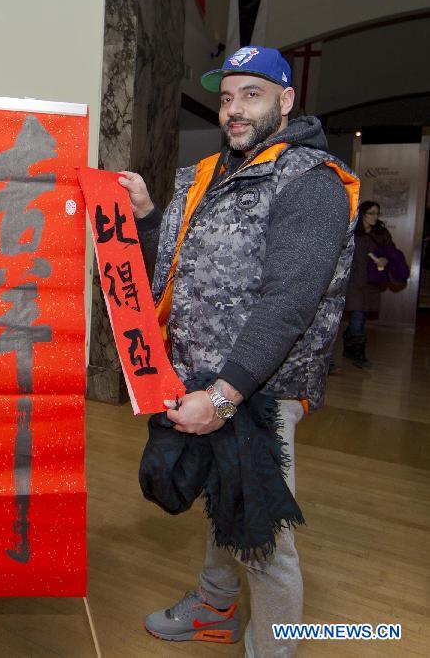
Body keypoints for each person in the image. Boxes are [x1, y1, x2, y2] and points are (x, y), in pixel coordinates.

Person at [119, 46, 358, 657]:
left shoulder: (311, 182)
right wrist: (148, 218)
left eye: (251, 94)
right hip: (201, 373)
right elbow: (175, 267)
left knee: (264, 532)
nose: (234, 110)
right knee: (225, 498)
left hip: (260, 386)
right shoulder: (208, 174)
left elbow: (289, 304)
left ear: (286, 100)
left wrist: (224, 398)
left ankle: (272, 649)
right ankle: (214, 606)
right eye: (226, 97)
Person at [342, 200, 395, 368]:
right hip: (353, 281)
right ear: (362, 214)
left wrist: (384, 260)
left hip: (371, 281)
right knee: (358, 315)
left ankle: (349, 342)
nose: (375, 217)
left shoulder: (381, 233)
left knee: (361, 316)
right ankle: (359, 354)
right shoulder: (351, 231)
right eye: (371, 213)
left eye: (377, 213)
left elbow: (390, 251)